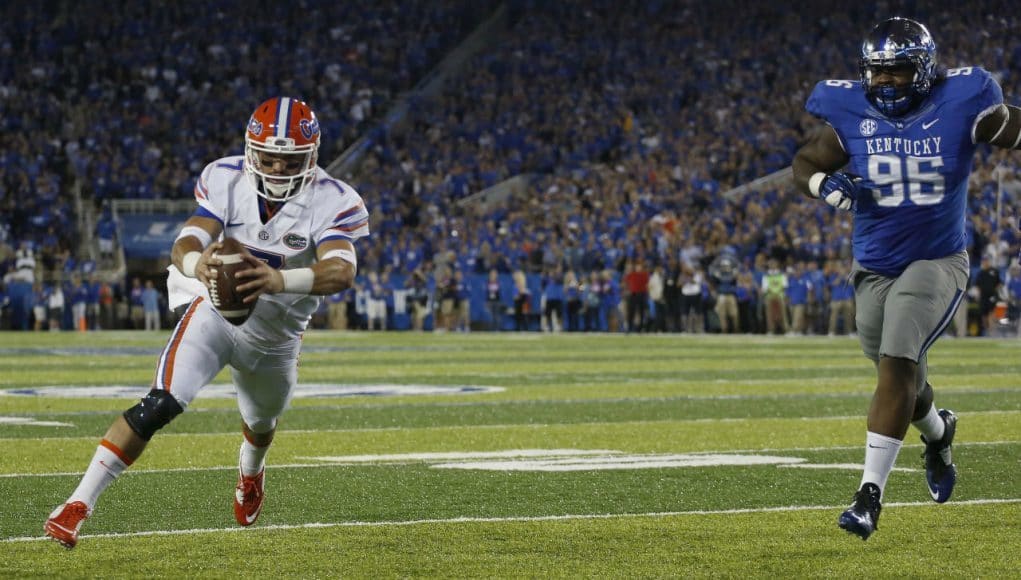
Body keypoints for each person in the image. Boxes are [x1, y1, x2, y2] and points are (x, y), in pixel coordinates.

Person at [44, 96, 369, 549]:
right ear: (251, 151)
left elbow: (342, 270)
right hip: (216, 314)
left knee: (260, 423)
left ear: (312, 157)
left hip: (276, 339)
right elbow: (187, 240)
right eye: (268, 157)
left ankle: (250, 474)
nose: (276, 167)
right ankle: (77, 504)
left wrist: (277, 278)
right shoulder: (225, 177)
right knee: (160, 403)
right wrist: (197, 264)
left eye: (288, 159)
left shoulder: (335, 199)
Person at [792, 17, 1021, 540]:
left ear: (922, 71)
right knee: (901, 377)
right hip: (873, 266)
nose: (887, 81)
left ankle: (868, 495)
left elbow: (1013, 127)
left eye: (898, 70)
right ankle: (939, 433)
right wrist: (823, 183)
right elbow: (804, 161)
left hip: (937, 260)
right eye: (879, 71)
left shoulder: (961, 104)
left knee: (896, 359)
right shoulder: (849, 111)